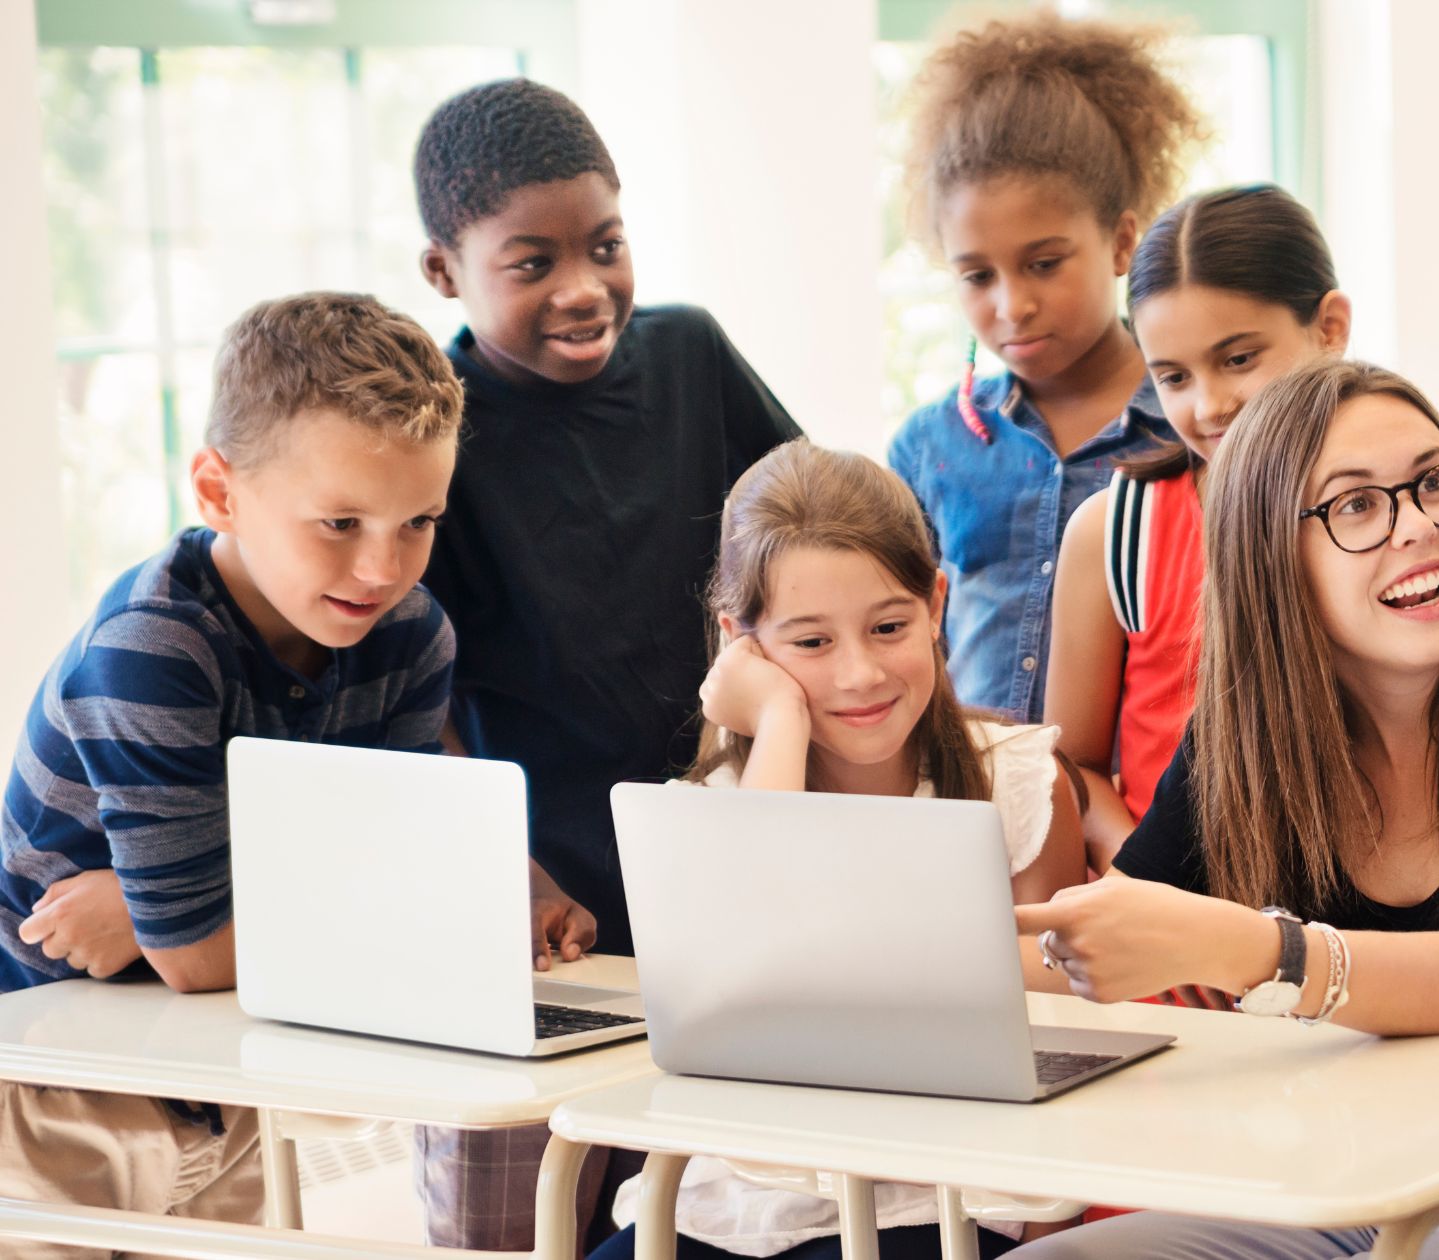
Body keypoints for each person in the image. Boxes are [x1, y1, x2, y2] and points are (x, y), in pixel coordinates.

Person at [1012, 359, 1439, 1256]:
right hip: (1362, 1191)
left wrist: (1252, 947)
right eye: (1357, 506)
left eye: (1434, 484)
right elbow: (1081, 948)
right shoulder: (1245, 744)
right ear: (1271, 558)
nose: (1417, 526)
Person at [410, 76, 801, 1251]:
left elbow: (808, 533)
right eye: (530, 263)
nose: (584, 289)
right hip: (542, 917)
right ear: (446, 272)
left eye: (606, 245)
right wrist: (509, 868)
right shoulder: (434, 425)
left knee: (692, 1220)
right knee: (512, 1225)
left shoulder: (688, 356)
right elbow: (405, 691)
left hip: (711, 886)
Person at [0, 292, 462, 1259]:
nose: (383, 568)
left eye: (419, 521)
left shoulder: (412, 635)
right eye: (339, 522)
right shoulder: (155, 646)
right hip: (52, 1083)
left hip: (227, 1065)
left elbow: (409, 895)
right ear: (218, 492)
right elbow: (201, 957)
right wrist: (186, 922)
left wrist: (150, 908)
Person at [591, 441, 1084, 1260]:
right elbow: (748, 968)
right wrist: (778, 723)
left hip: (942, 1188)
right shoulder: (709, 810)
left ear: (936, 605)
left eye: (888, 627)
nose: (859, 675)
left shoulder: (1017, 779)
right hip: (746, 1183)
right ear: (741, 646)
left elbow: (1057, 1006)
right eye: (810, 644)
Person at [886, 11, 1205, 720]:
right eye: (976, 276)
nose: (1013, 305)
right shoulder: (927, 449)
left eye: (1044, 263)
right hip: (974, 809)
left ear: (1122, 243)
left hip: (1148, 814)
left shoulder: (1198, 428)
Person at [1044, 183, 1350, 863]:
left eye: (1239, 359)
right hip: (1168, 948)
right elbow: (1072, 766)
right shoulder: (1115, 531)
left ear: (1329, 329)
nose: (1209, 405)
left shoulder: (1411, 520)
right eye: (1173, 378)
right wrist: (1153, 887)